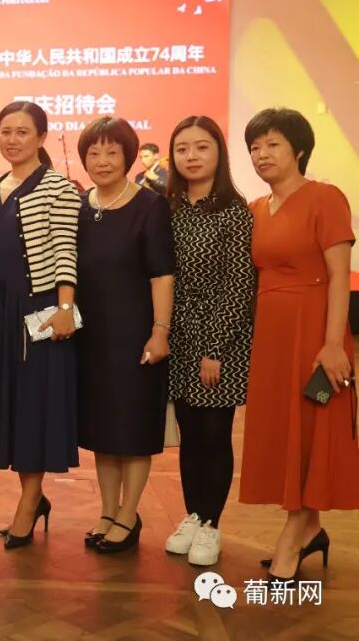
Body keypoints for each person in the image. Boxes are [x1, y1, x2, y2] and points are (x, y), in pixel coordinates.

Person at [238, 107, 359, 582]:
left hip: (314, 329)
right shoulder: (255, 208)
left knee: (312, 426)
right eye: (254, 147)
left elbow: (338, 276)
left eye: (273, 144)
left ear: (299, 150)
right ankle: (311, 529)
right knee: (286, 430)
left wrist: (334, 343)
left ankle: (292, 537)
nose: (261, 154)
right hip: (271, 333)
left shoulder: (325, 197)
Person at [0, 101, 81, 549]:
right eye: (6, 131)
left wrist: (65, 307)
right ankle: (33, 497)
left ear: (41, 137)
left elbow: (65, 250)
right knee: (14, 405)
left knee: (36, 405)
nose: (12, 139)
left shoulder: (58, 187)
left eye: (23, 132)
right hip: (2, 311)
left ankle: (29, 502)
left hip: (41, 310)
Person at [76, 116, 175, 554]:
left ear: (128, 156)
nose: (102, 160)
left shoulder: (149, 205)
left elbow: (162, 274)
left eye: (111, 152)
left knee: (132, 429)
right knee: (102, 429)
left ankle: (129, 514)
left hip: (136, 336)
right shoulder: (81, 205)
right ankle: (107, 510)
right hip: (92, 337)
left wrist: (160, 332)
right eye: (93, 152)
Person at [163, 116, 255, 566]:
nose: (191, 156)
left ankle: (212, 523)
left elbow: (238, 287)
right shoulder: (169, 209)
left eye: (201, 147)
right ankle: (194, 515)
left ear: (219, 152)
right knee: (190, 433)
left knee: (215, 434)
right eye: (182, 148)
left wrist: (213, 349)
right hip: (178, 337)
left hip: (221, 341)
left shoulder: (235, 212)